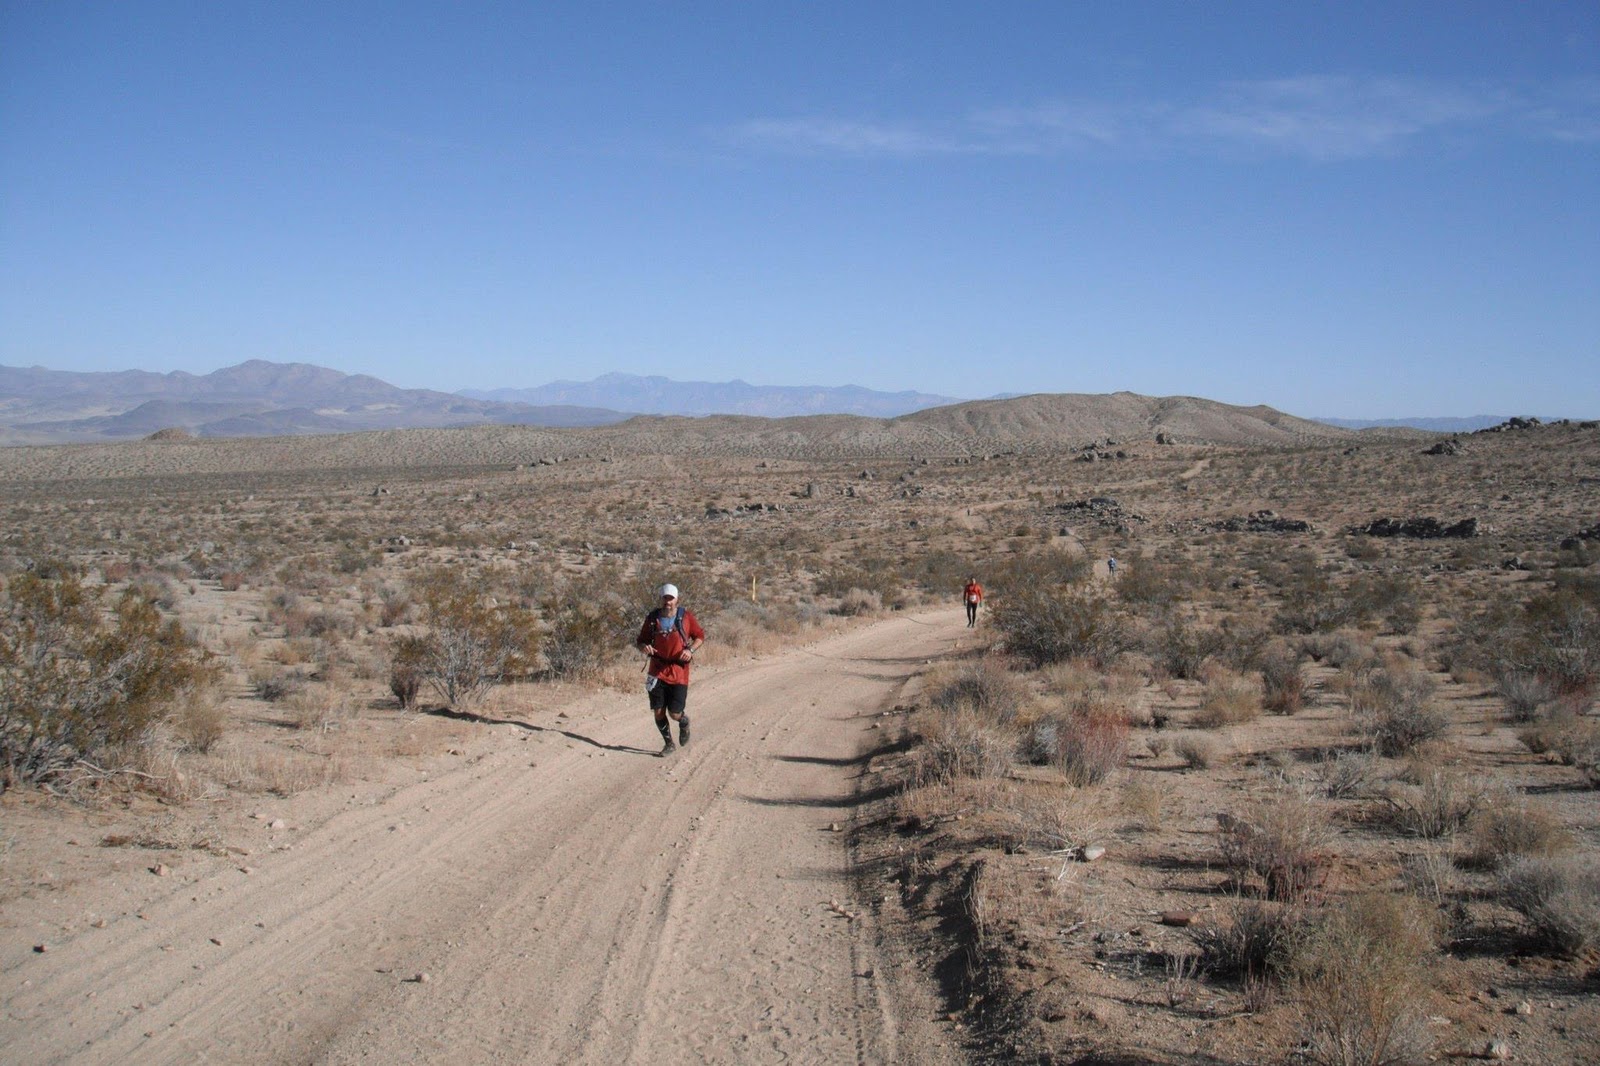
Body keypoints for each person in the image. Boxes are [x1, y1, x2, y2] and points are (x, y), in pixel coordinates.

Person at [635, 583, 705, 756]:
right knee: (658, 711)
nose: (668, 601)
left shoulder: (685, 617)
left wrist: (690, 650)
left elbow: (700, 636)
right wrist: (644, 647)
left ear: (677, 599)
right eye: (665, 598)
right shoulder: (652, 618)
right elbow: (641, 640)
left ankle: (683, 721)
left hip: (678, 670)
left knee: (674, 713)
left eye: (671, 598)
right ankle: (668, 744)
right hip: (657, 670)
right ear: (661, 599)